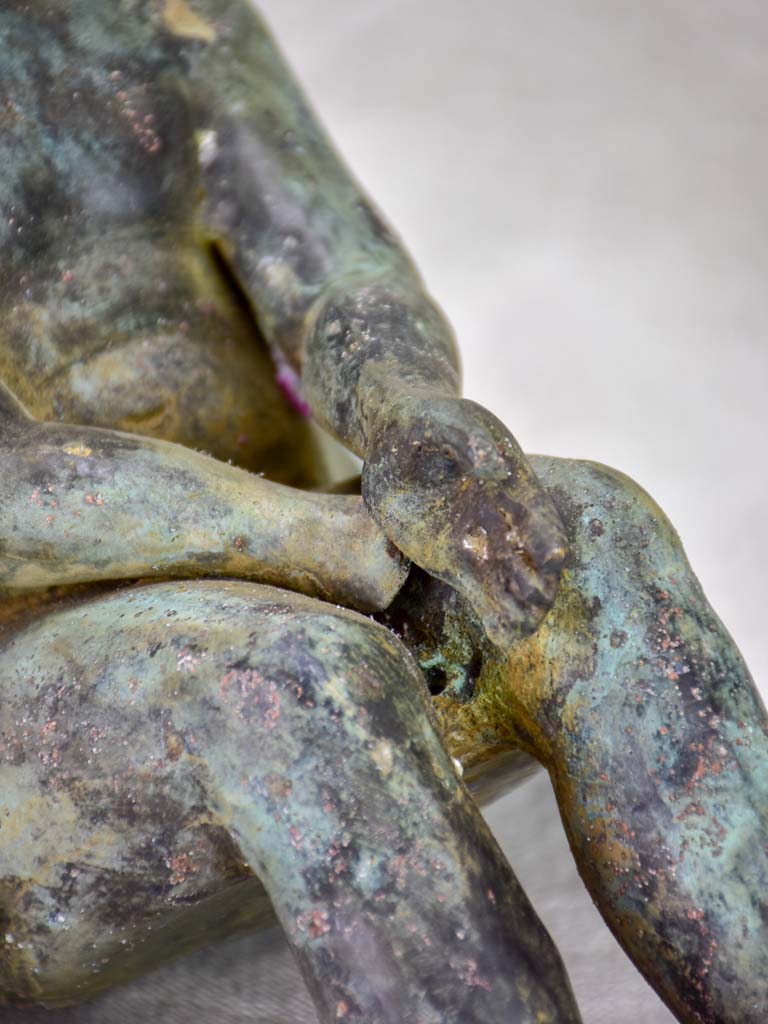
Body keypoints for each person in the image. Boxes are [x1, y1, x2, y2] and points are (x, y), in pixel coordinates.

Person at [0, 3, 765, 1022]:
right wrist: (310, 542)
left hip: (304, 554)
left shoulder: (165, 21)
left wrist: (412, 426)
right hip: (43, 676)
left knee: (591, 529)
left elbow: (339, 283)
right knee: (303, 679)